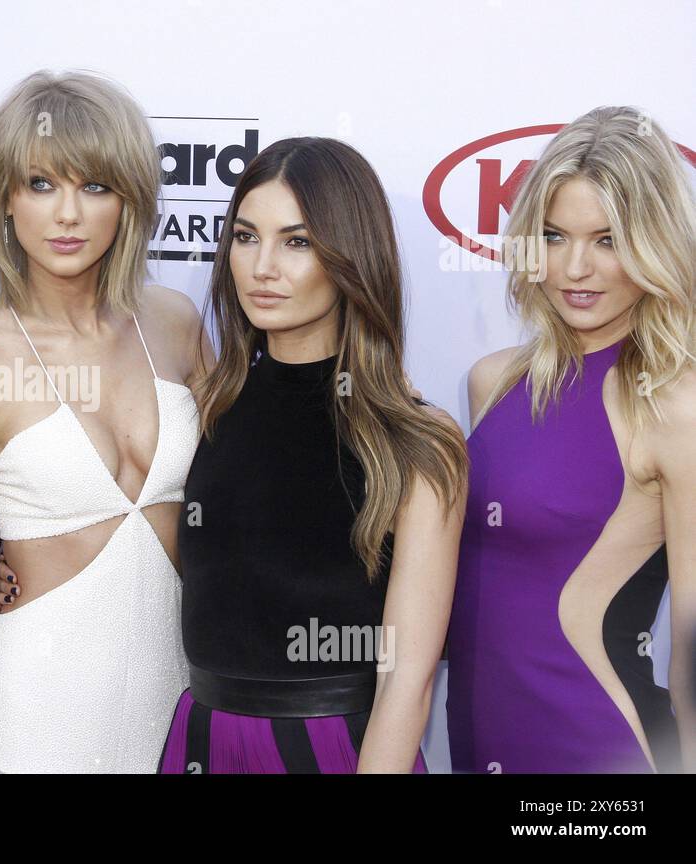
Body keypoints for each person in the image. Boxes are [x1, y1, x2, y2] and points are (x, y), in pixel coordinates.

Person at [0, 70, 206, 773]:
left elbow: (240, 495)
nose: (68, 214)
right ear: (4, 200)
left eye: (96, 186)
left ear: (130, 201)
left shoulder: (174, 323)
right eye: (42, 184)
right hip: (27, 732)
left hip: (179, 728)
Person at [157, 137, 468, 773]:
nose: (261, 266)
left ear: (350, 256)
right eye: (246, 237)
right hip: (201, 741)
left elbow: (408, 680)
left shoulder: (415, 440)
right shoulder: (209, 406)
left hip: (342, 752)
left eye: (296, 242)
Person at [448, 106, 696, 774]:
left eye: (608, 240)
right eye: (555, 237)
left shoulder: (679, 407)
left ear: (653, 244)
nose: (576, 268)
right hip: (479, 743)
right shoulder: (492, 383)